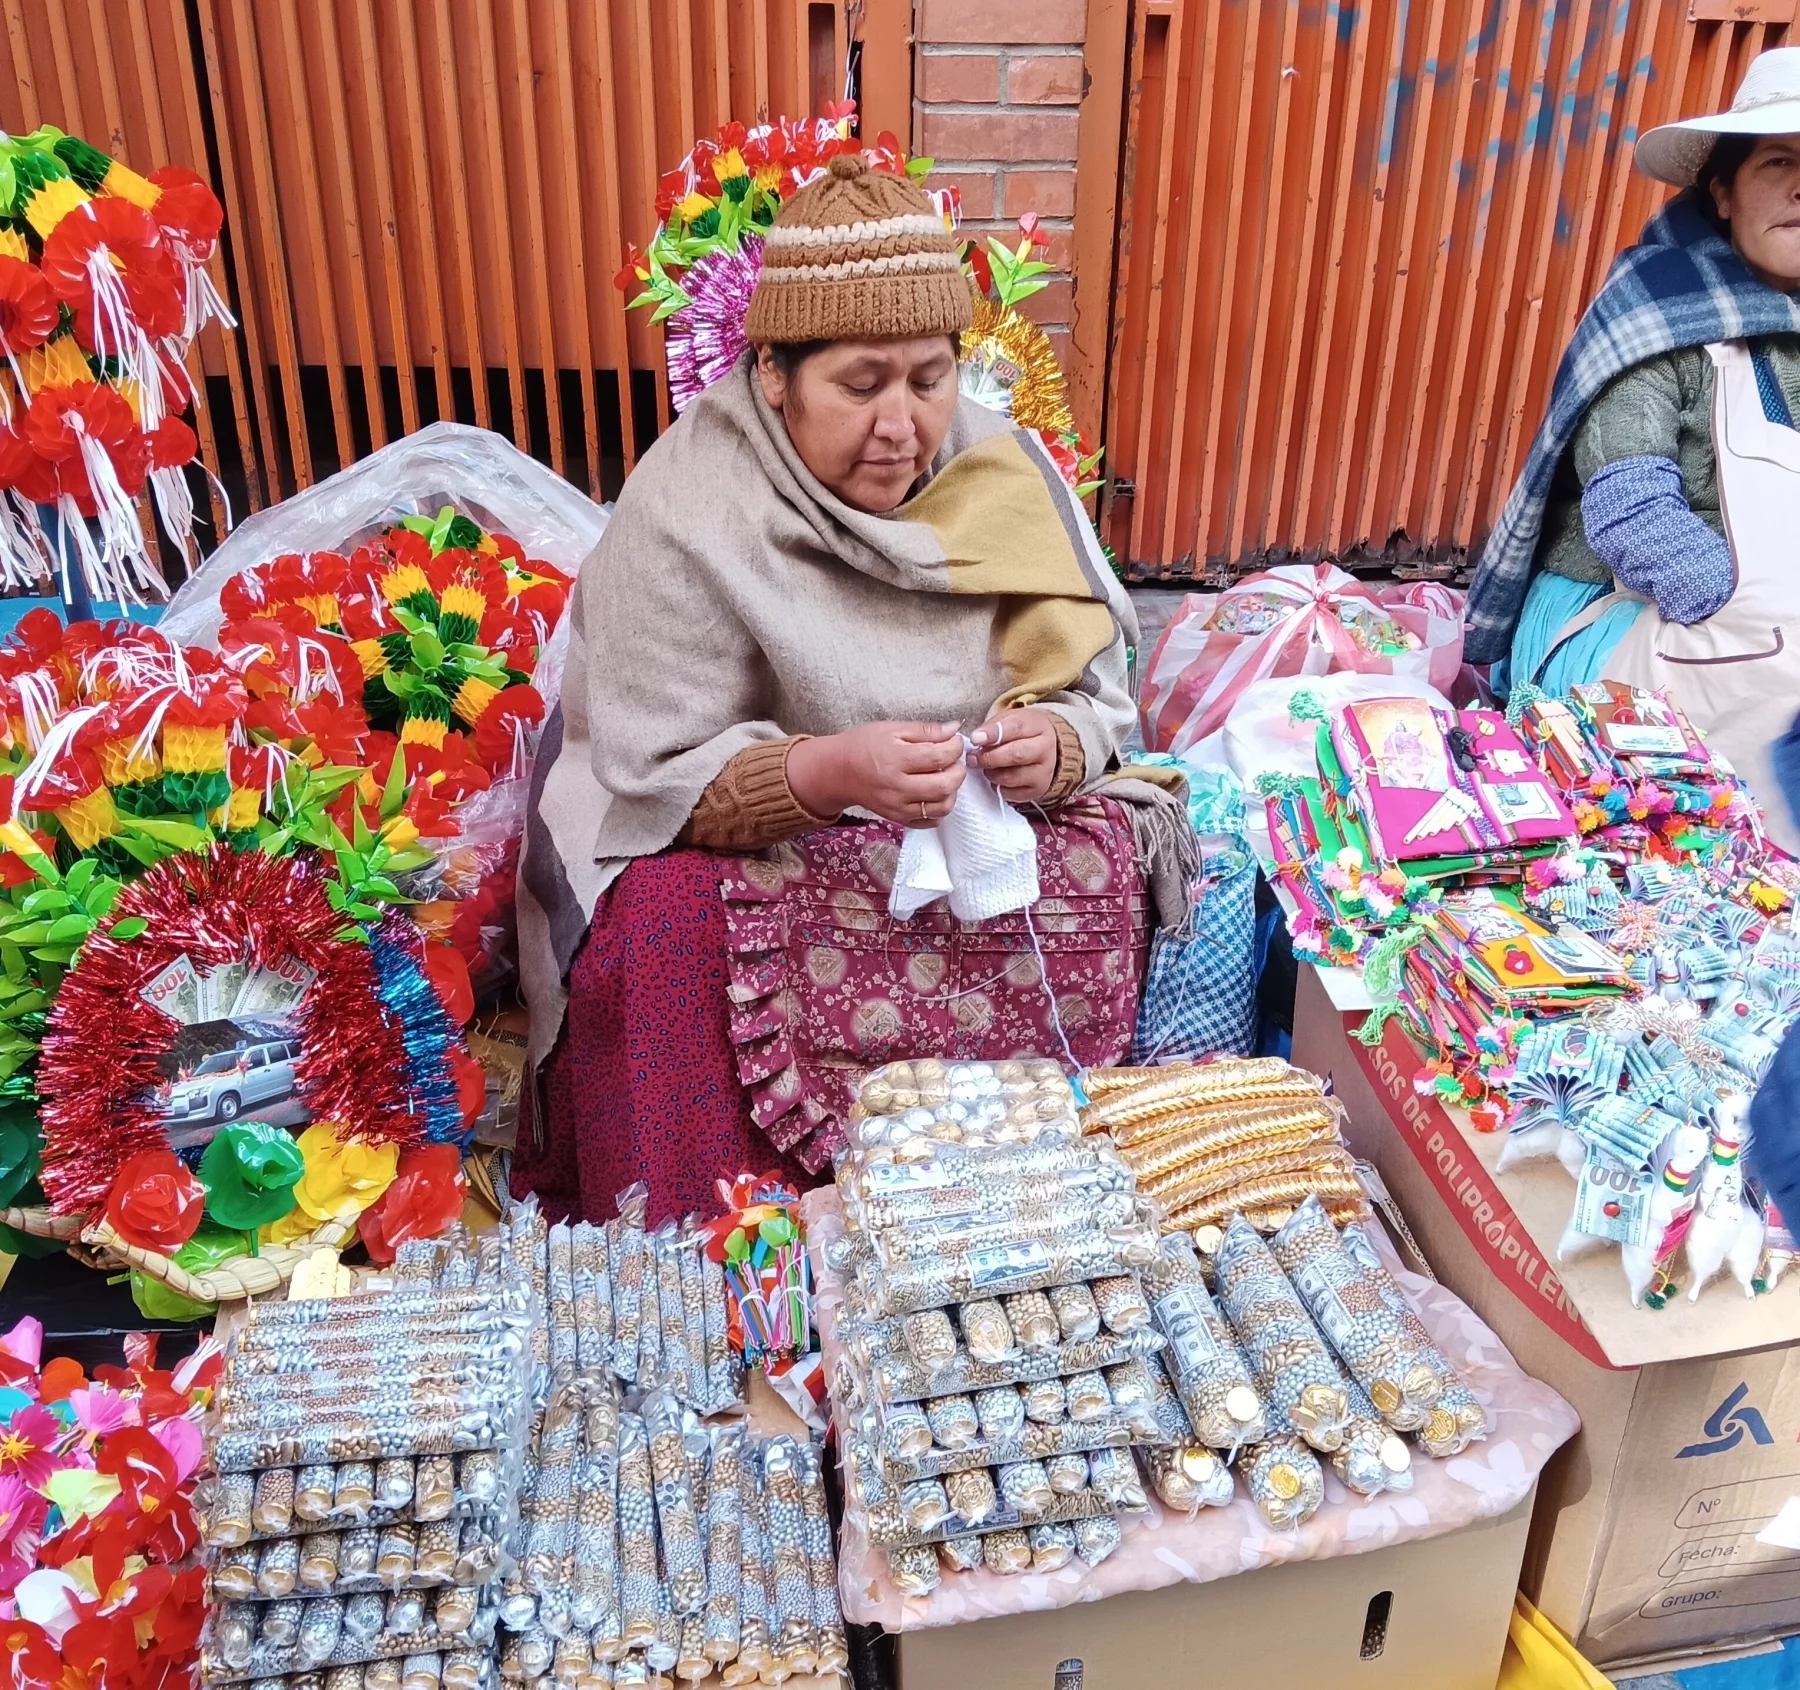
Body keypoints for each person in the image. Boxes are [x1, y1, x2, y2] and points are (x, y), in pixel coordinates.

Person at [513, 153, 1190, 1224]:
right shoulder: (687, 507)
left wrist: (1052, 744)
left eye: (928, 379)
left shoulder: (998, 470)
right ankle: (728, 1238)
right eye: (859, 384)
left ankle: (995, 1205)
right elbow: (651, 778)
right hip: (746, 836)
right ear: (774, 372)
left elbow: (1094, 692)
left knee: (1100, 868)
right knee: (662, 926)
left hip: (946, 823)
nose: (900, 426)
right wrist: (828, 770)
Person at [1466, 47, 1800, 846]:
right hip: (1641, 615)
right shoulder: (1659, 316)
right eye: (1780, 161)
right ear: (1722, 192)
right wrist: (1762, 623)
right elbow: (1634, 518)